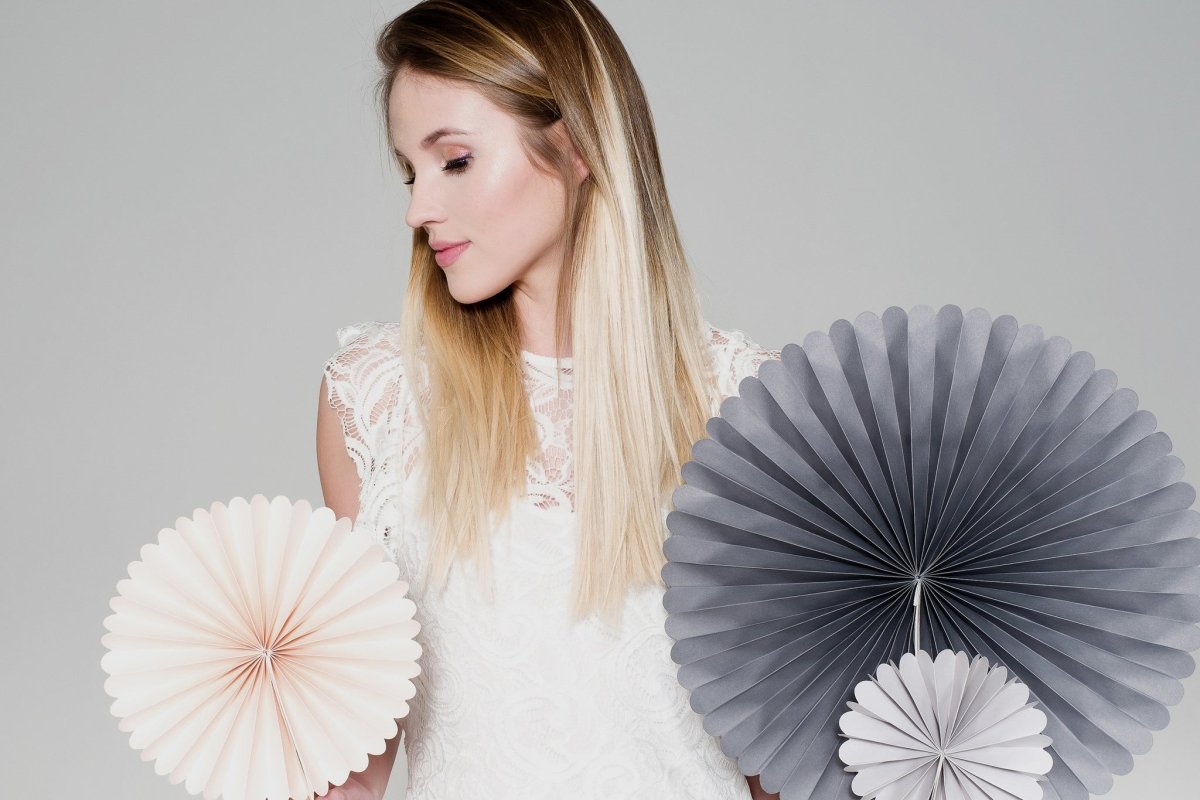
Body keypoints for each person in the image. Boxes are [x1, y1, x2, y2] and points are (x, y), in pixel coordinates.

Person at [316, 1, 782, 797]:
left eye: (454, 160)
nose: (418, 209)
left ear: (575, 146)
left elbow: (778, 759)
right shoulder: (379, 400)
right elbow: (354, 768)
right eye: (410, 171)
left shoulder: (748, 410)